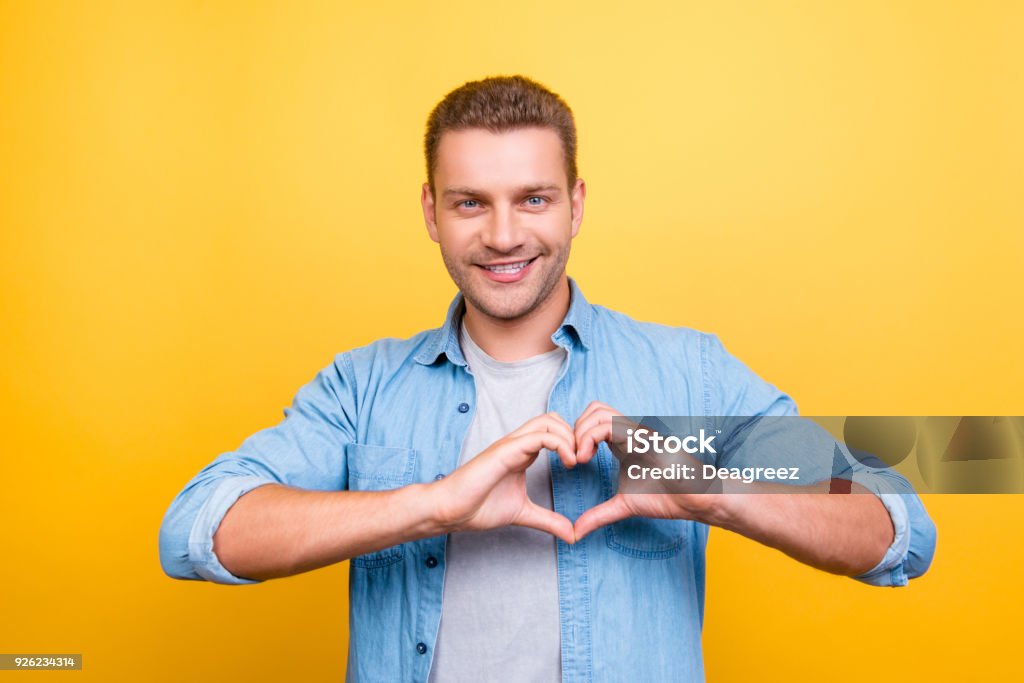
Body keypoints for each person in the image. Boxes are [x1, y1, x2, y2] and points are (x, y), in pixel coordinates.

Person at [159, 75, 936, 682]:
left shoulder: (685, 375)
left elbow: (893, 522)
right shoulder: (363, 389)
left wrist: (714, 491)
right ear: (432, 211)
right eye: (471, 203)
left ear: (576, 206)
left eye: (533, 198)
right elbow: (197, 528)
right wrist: (432, 506)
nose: (503, 236)